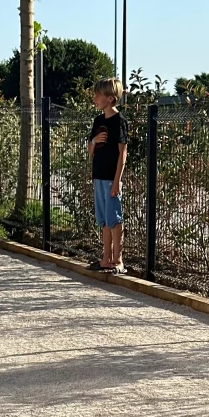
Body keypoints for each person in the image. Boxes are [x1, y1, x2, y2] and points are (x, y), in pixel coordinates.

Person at [87, 77, 128, 273]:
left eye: (98, 95)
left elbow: (123, 153)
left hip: (112, 178)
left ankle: (118, 261)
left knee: (115, 219)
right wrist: (94, 140)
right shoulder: (97, 121)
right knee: (103, 219)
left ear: (110, 98)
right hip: (98, 176)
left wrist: (117, 181)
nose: (94, 98)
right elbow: (90, 150)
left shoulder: (119, 122)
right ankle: (105, 259)